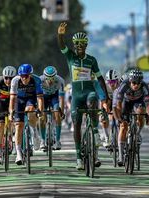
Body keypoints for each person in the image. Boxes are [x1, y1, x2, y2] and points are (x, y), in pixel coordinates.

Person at [57, 22, 109, 169]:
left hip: (89, 91)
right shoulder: (70, 57)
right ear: (74, 45)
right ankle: (79, 157)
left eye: (82, 44)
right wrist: (60, 34)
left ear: (86, 45)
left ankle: (95, 131)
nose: (79, 47)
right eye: (77, 44)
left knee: (92, 101)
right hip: (76, 96)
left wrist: (106, 97)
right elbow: (61, 46)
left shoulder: (91, 60)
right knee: (77, 124)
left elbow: (99, 79)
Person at [112, 68, 149, 166]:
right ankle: (121, 156)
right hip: (126, 103)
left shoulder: (144, 86)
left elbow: (148, 104)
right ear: (130, 81)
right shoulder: (124, 85)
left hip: (138, 102)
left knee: (141, 112)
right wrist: (120, 117)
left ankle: (137, 133)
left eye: (138, 83)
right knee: (123, 126)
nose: (136, 85)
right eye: (134, 82)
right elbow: (118, 103)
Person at [9, 64, 44, 165]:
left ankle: (35, 132)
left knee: (30, 109)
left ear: (30, 75)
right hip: (18, 100)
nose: (24, 78)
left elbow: (40, 98)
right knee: (18, 126)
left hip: (30, 99)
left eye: (26, 76)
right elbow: (12, 98)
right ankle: (19, 153)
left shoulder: (36, 80)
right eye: (22, 76)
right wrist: (11, 111)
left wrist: (40, 111)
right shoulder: (15, 80)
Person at [0, 66, 16, 164]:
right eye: (6, 78)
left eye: (11, 78)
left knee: (14, 122)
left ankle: (12, 136)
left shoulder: (17, 82)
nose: (8, 80)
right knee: (0, 127)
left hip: (13, 102)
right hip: (1, 102)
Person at [39, 66, 65, 150]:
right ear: (44, 77)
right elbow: (38, 97)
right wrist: (39, 110)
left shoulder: (60, 81)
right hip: (44, 97)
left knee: (57, 115)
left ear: (55, 76)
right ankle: (42, 141)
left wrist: (62, 111)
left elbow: (61, 98)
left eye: (52, 78)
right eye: (48, 78)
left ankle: (57, 141)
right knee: (42, 118)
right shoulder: (40, 80)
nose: (50, 81)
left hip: (54, 97)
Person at [100, 69, 121, 148]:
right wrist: (103, 112)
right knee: (103, 120)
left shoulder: (120, 85)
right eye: (109, 82)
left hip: (117, 102)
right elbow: (102, 101)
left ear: (117, 80)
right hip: (108, 101)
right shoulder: (105, 86)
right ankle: (107, 138)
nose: (111, 84)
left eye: (113, 82)